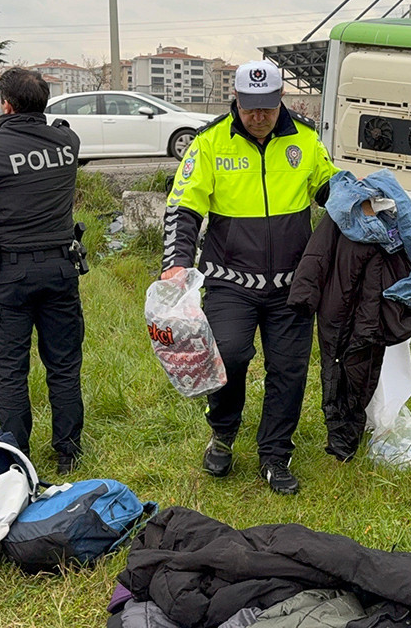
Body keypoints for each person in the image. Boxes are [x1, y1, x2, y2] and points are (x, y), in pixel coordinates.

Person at [159, 60, 337, 495]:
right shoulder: (208, 143)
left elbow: (332, 191)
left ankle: (275, 454)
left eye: (268, 107)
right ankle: (222, 432)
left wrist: (369, 206)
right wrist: (177, 261)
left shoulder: (307, 141)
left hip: (292, 283)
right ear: (235, 100)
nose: (258, 116)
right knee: (230, 357)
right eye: (250, 107)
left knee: (289, 371)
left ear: (281, 101)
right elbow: (183, 208)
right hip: (229, 280)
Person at [0, 68, 86, 475]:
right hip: (61, 268)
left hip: (9, 273)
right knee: (63, 363)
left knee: (10, 367)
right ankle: (68, 450)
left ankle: (14, 451)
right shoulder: (66, 141)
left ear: (5, 104)